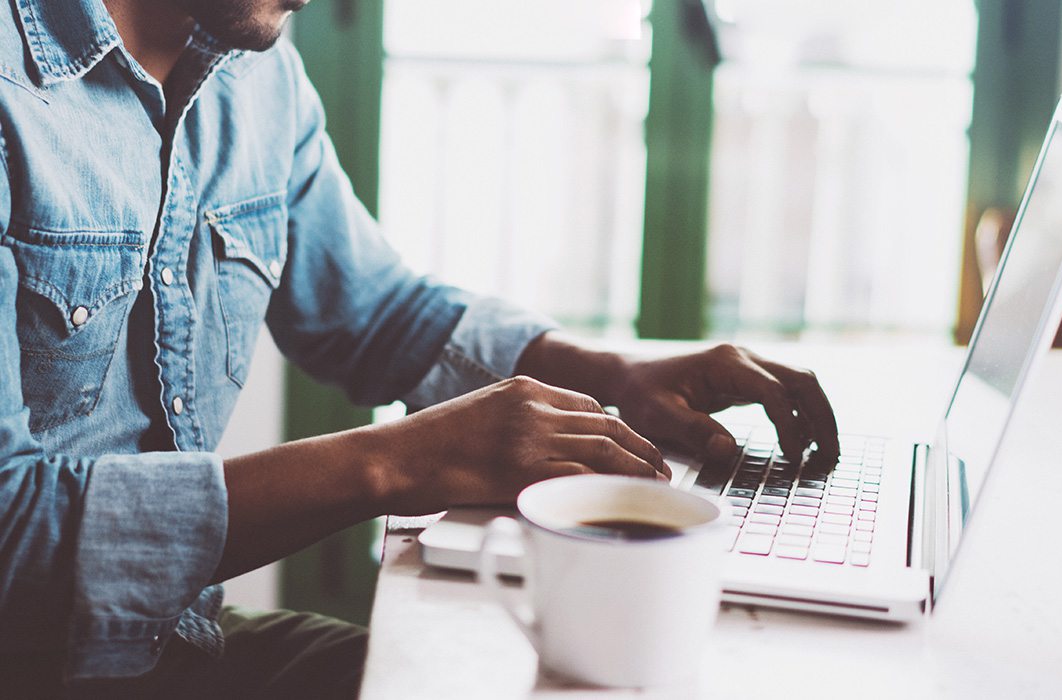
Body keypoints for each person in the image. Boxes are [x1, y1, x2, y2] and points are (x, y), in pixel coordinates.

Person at [0, 0, 839, 696]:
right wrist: (397, 462)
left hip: (179, 641)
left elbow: (376, 314)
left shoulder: (259, 78)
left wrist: (614, 376)